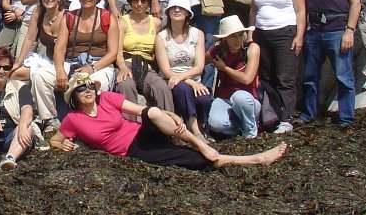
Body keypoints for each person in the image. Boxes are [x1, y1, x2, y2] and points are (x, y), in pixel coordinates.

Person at [51, 71, 287, 170]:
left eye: (90, 86)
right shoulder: (73, 119)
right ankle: (256, 159)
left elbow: (143, 110)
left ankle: (200, 142)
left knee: (154, 113)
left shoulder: (107, 98)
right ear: (74, 97)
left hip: (143, 131)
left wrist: (169, 114)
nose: (87, 91)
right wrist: (63, 145)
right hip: (133, 150)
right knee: (195, 161)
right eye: (81, 89)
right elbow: (54, 140)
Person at [37, 0, 118, 135]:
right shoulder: (69, 17)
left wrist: (92, 68)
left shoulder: (107, 18)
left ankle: (93, 123)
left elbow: (113, 52)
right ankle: (50, 120)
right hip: (71, 61)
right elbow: (59, 48)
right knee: (40, 76)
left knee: (96, 83)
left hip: (99, 64)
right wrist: (59, 70)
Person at [299, 0, 362, 127]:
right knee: (310, 77)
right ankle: (308, 115)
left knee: (344, 77)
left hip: (338, 30)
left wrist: (349, 31)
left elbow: (356, 2)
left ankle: (346, 118)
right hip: (314, 31)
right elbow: (302, 2)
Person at [249, 0, 305, 134]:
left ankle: (286, 119)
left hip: (285, 33)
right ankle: (271, 116)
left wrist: (299, 35)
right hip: (262, 33)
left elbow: (301, 10)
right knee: (266, 77)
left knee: (285, 78)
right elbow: (253, 9)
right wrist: (250, 32)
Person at [113, 0, 175, 111]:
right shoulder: (122, 22)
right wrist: (123, 68)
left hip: (147, 66)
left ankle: (168, 120)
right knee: (125, 85)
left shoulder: (156, 23)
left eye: (143, 0)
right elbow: (118, 52)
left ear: (148, 2)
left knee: (161, 87)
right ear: (130, 1)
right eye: (135, 0)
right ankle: (130, 122)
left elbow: (159, 51)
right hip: (127, 63)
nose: (139, 4)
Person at [156, 0, 211, 140]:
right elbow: (165, 70)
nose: (177, 10)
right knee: (183, 89)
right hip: (172, 81)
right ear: (168, 12)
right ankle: (196, 132)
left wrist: (188, 79)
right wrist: (187, 81)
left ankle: (202, 127)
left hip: (193, 79)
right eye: (173, 7)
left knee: (203, 99)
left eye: (180, 8)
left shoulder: (197, 34)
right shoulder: (162, 37)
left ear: (187, 13)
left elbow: (199, 66)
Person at [206, 15, 262, 139]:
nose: (238, 40)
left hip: (248, 100)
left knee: (239, 97)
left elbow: (247, 79)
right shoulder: (218, 50)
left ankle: (250, 131)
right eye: (233, 36)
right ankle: (236, 129)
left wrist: (224, 68)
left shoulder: (252, 48)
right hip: (225, 98)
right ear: (225, 38)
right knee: (215, 124)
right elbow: (200, 62)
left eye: (240, 35)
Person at [13, 0, 65, 90]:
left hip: (64, 62)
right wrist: (18, 63)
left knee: (39, 76)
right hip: (47, 59)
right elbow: (30, 38)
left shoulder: (66, 15)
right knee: (13, 74)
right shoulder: (38, 11)